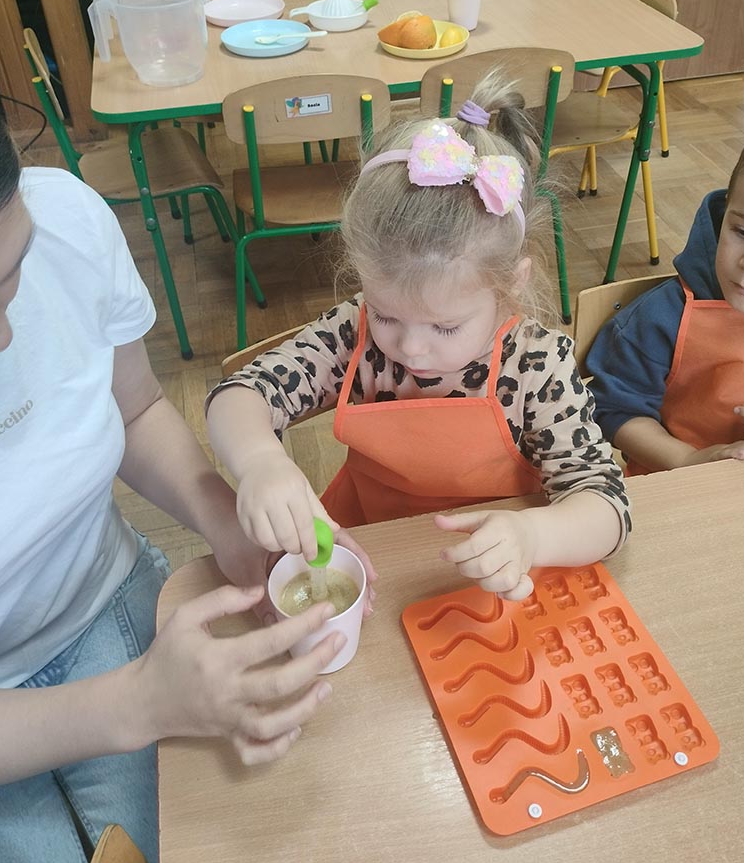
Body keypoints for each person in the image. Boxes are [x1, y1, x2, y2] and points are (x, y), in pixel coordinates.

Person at [0, 55, 374, 863]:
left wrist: (228, 523)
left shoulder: (66, 220)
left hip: (105, 602)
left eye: (11, 274)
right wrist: (136, 702)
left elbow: (136, 407)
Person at [207, 72, 631, 603]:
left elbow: (607, 503)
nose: (409, 347)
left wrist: (533, 535)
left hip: (495, 579)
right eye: (387, 315)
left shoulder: (537, 366)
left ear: (511, 286)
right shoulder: (355, 331)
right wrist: (259, 461)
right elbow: (240, 393)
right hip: (371, 557)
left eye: (445, 327)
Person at [586, 102, 744, 474]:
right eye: (742, 232)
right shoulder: (660, 318)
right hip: (671, 484)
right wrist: (686, 459)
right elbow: (613, 408)